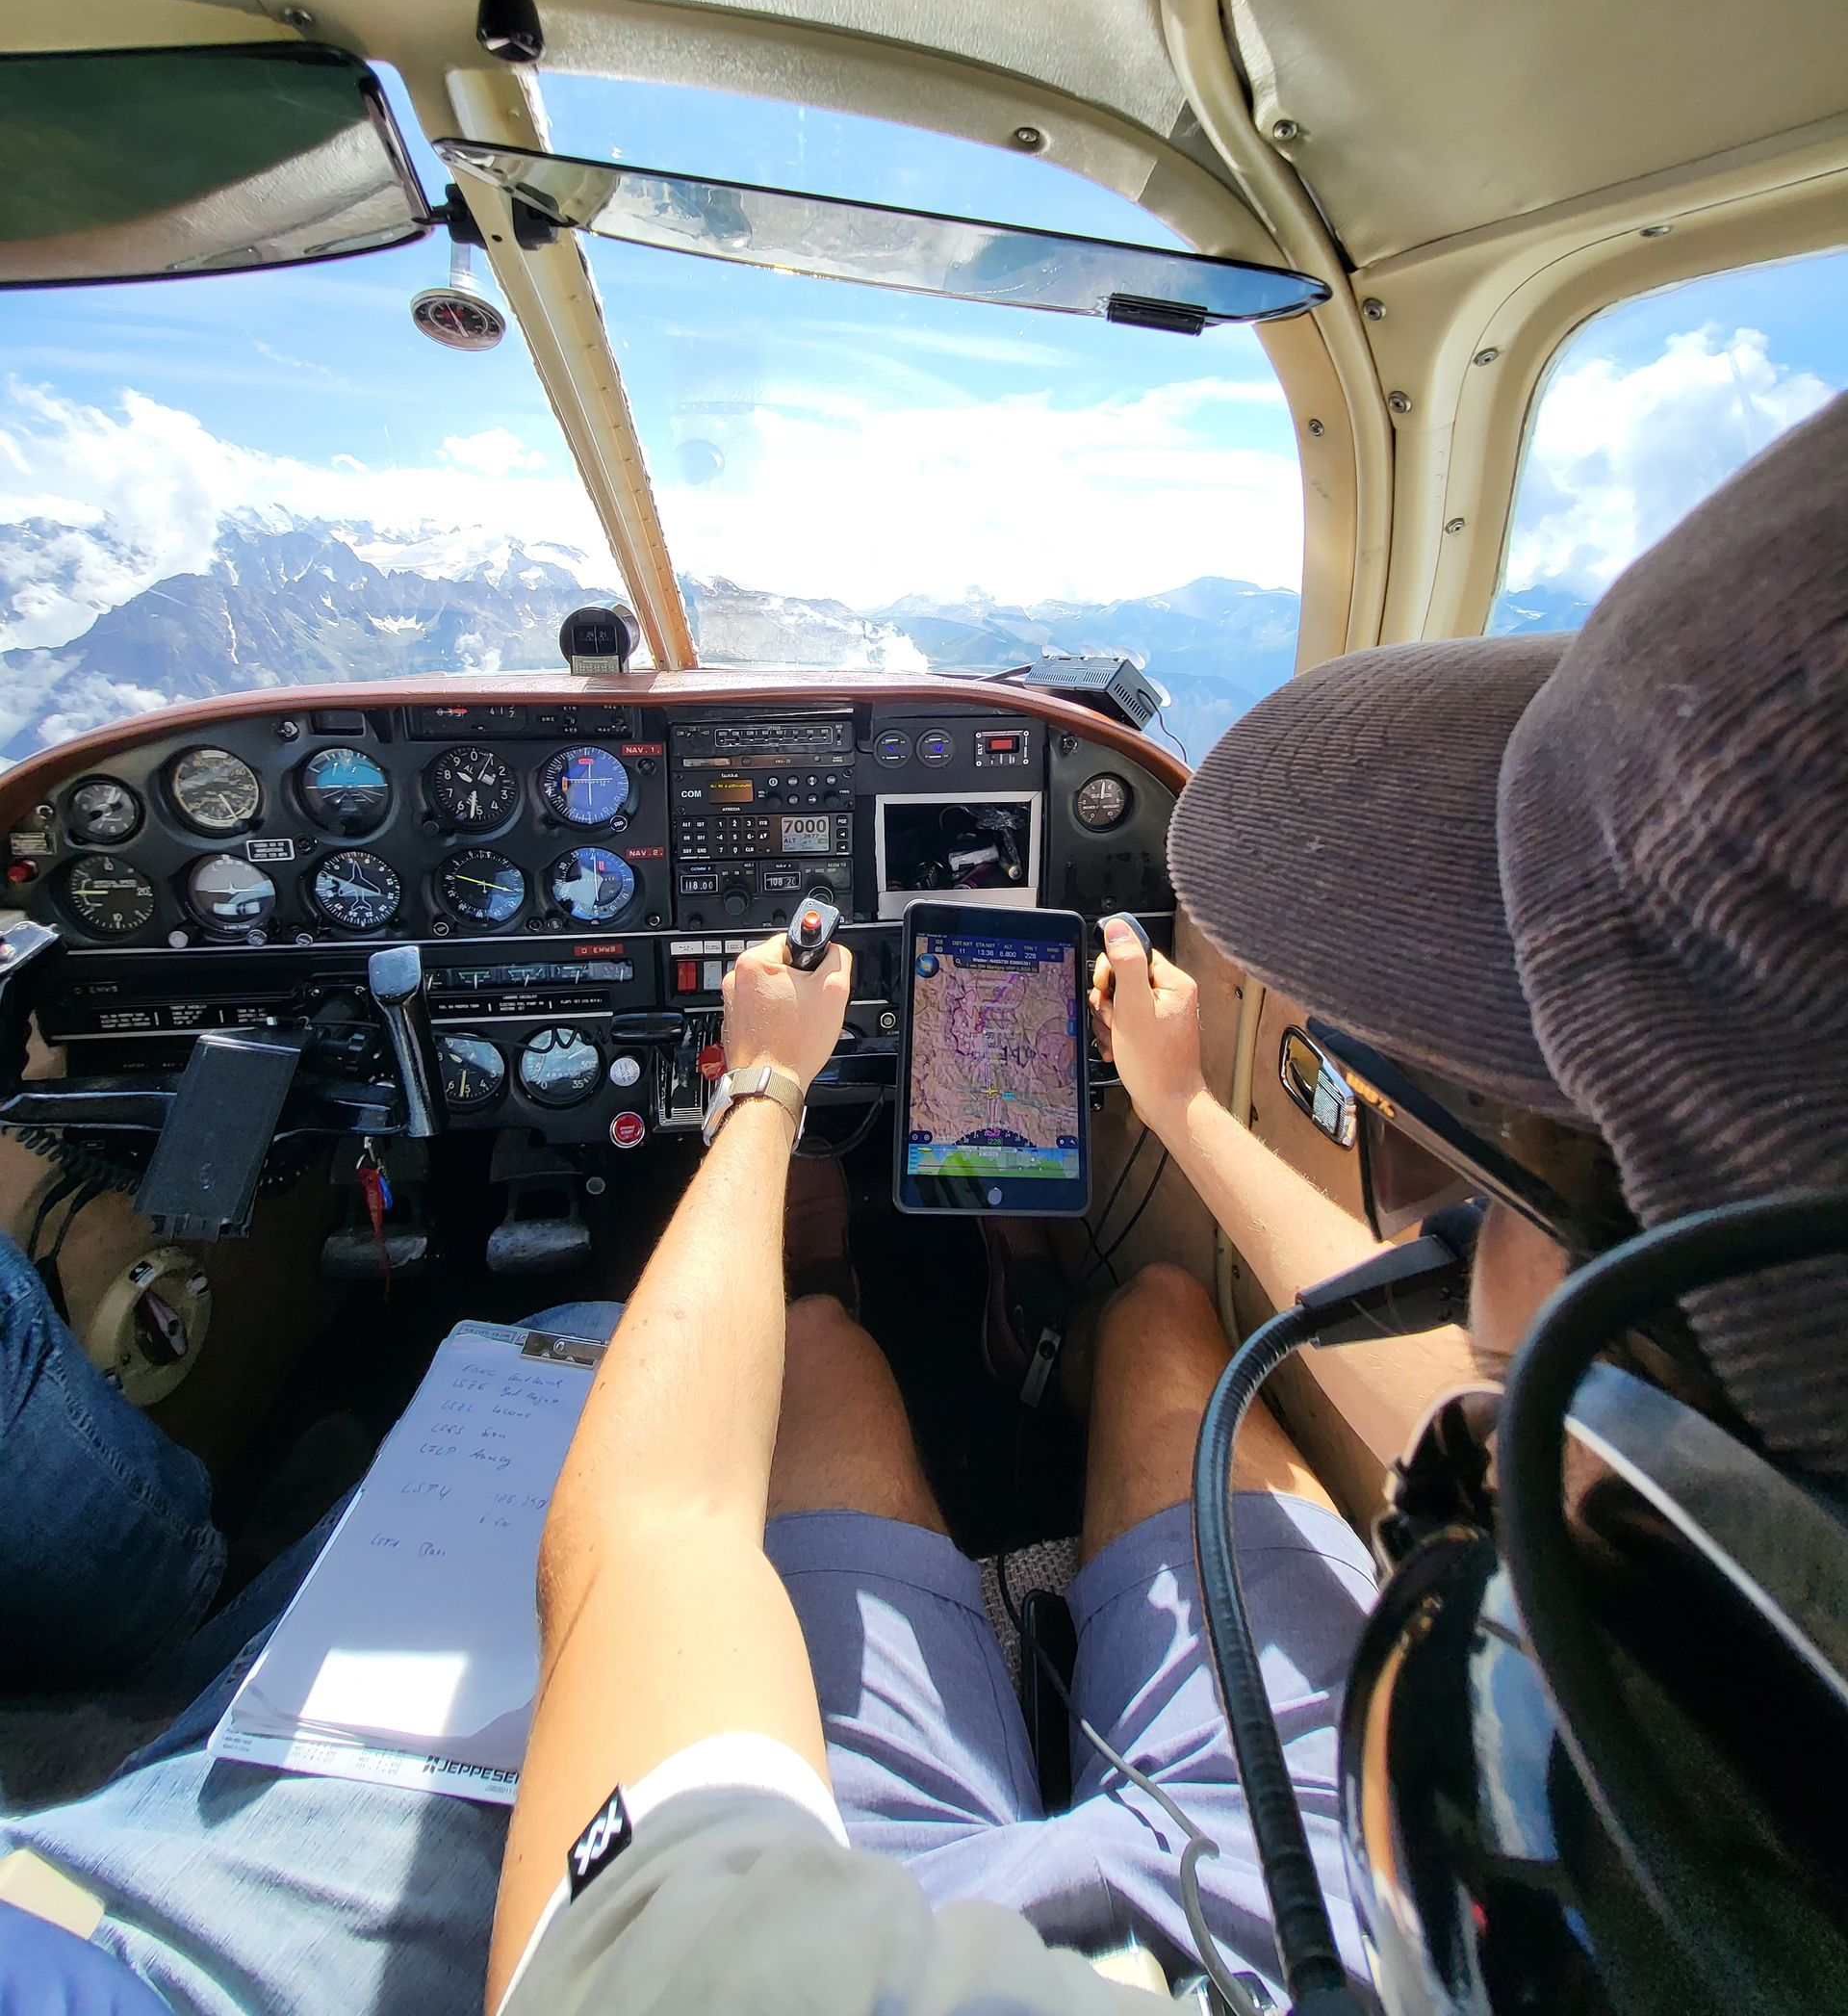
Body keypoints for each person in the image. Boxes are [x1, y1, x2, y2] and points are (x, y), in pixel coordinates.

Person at [4, 385, 1843, 2015]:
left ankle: (828, 1287)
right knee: (1169, 1322)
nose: (1447, 1246)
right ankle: (1024, 1313)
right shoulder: (1671, 1764)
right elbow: (1486, 1397)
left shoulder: (756, 1981)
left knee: (809, 1360)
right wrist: (1179, 1110)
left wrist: (763, 1091)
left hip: (878, 1904)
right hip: (1330, 1878)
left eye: (1492, 1179)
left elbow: (653, 1537)